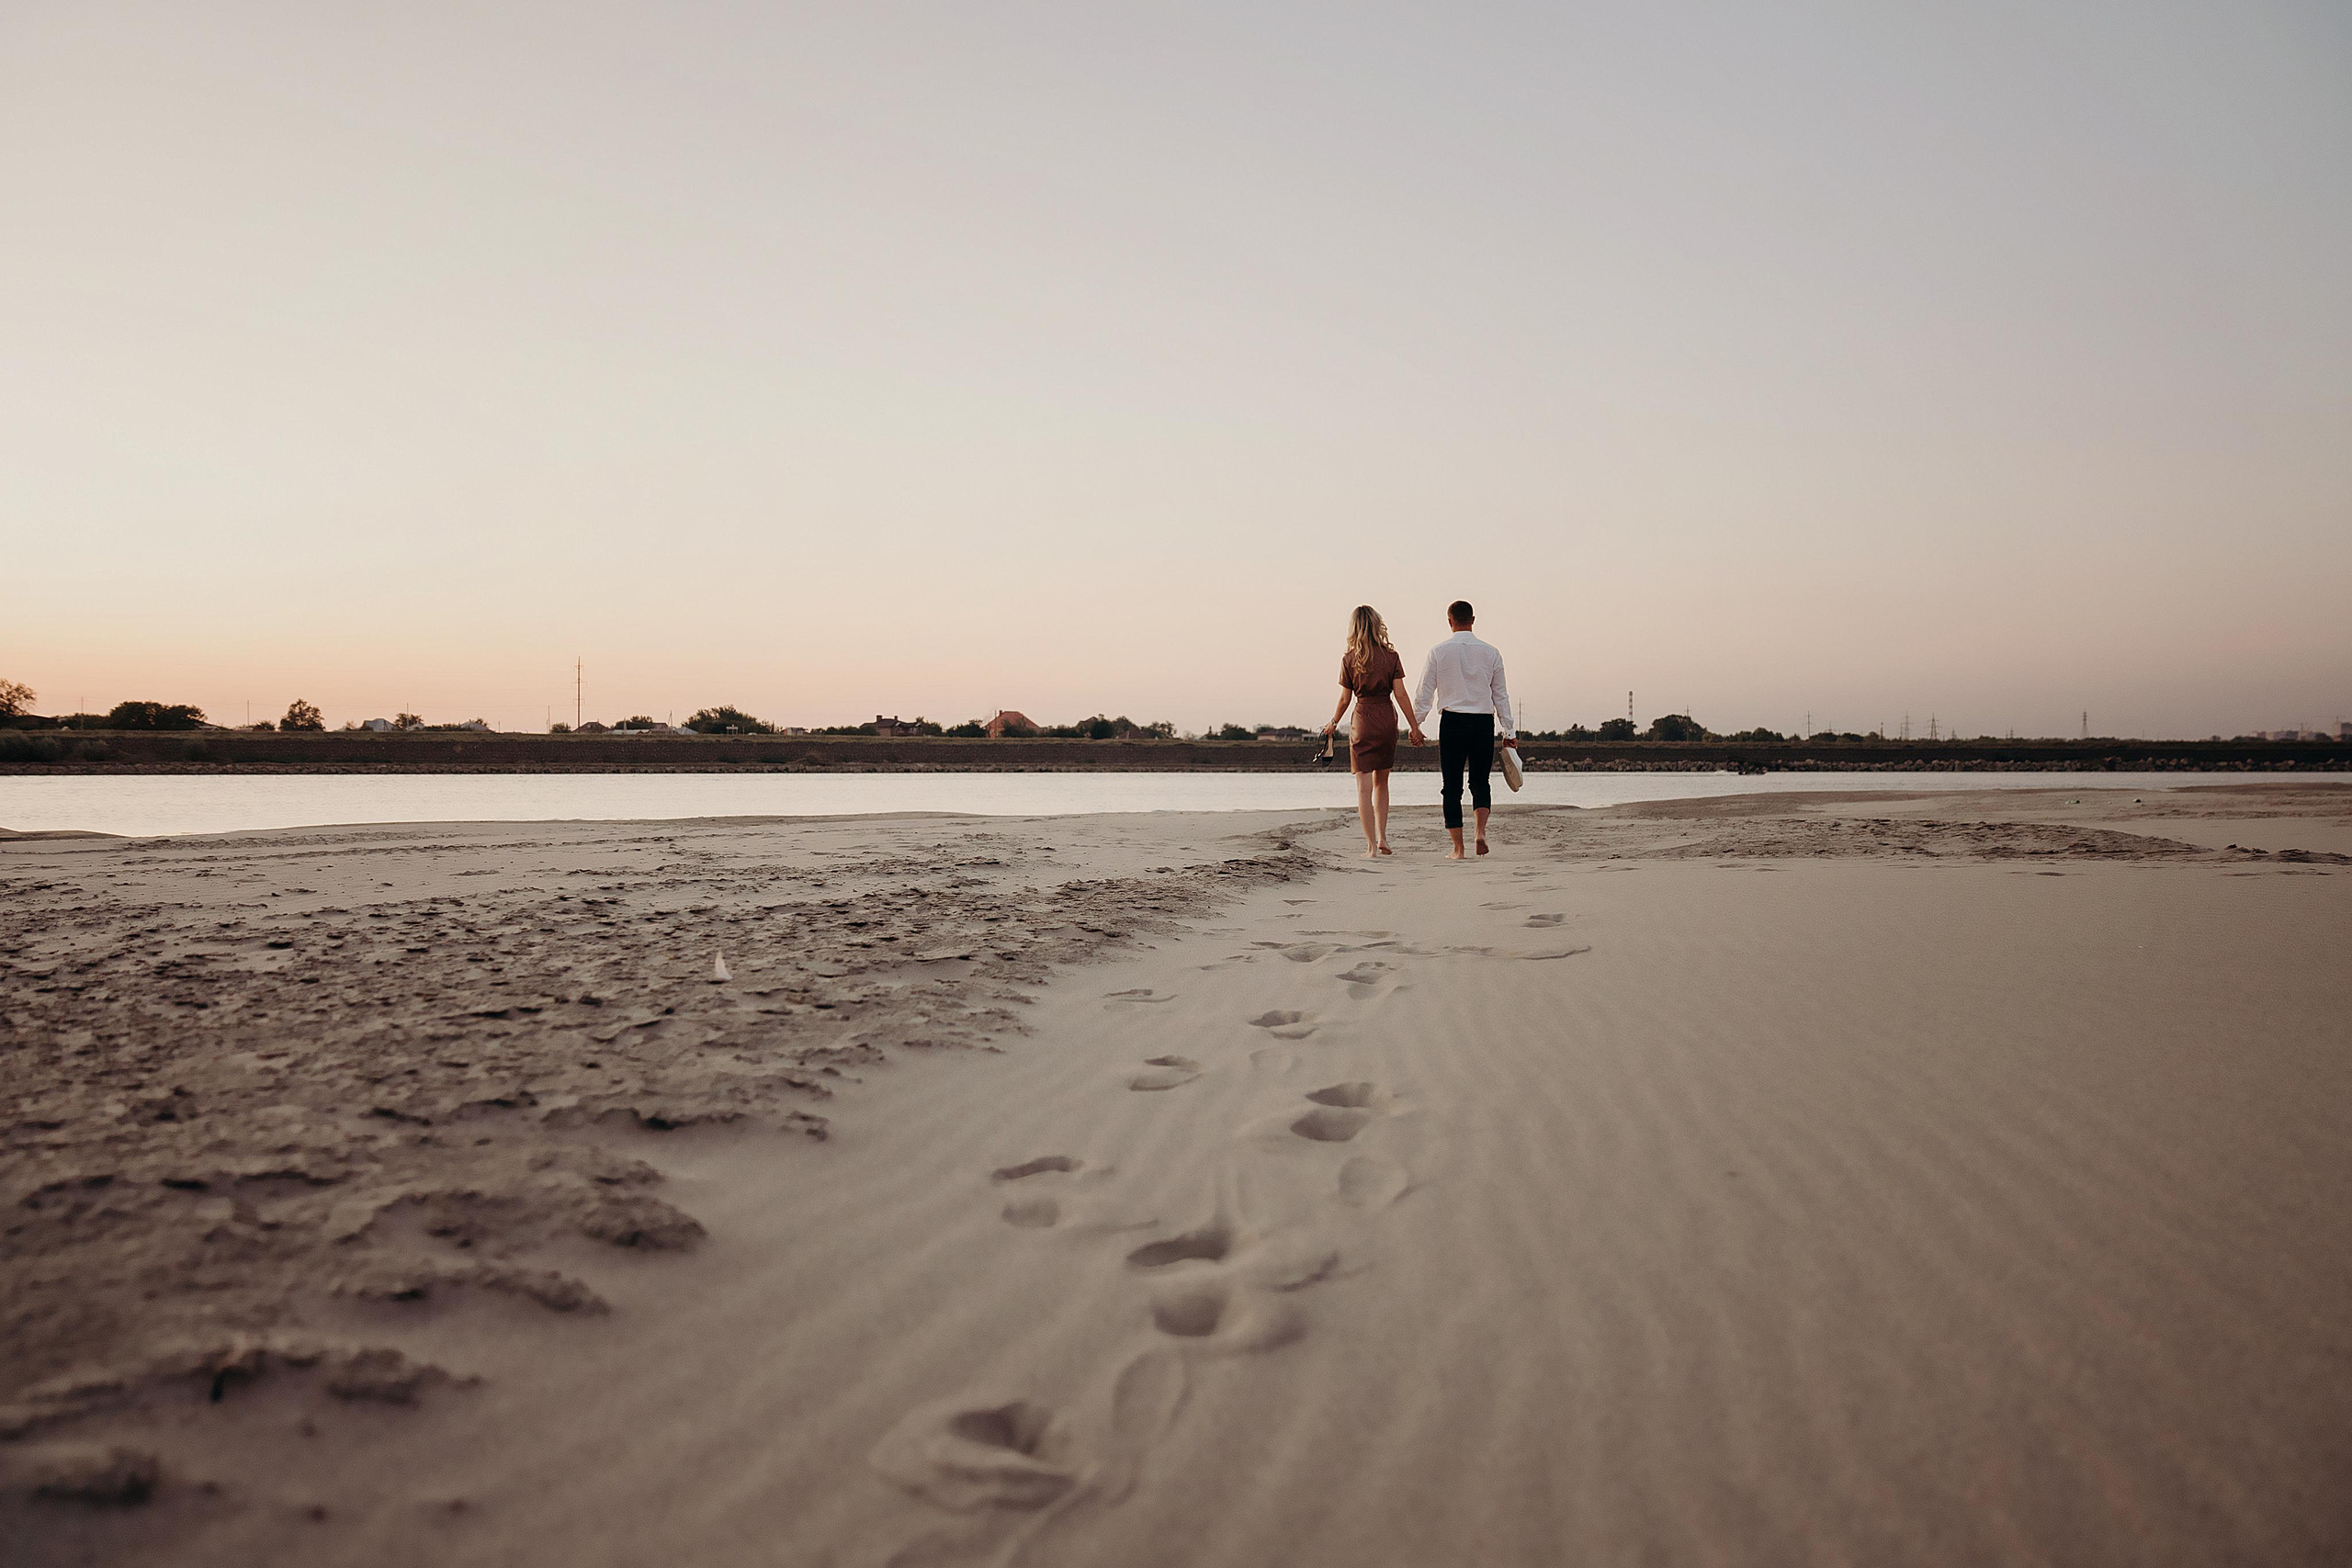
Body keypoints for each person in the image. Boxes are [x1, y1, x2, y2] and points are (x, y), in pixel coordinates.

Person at [1413, 600, 1517, 859]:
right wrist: (1509, 731)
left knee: (1451, 786)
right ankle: (1480, 833)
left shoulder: (1438, 652)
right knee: (1480, 782)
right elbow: (1500, 695)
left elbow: (1425, 692)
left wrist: (1416, 725)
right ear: (1473, 619)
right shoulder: (1491, 652)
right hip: (1483, 722)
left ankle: (1458, 849)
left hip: (1452, 722)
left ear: (1450, 622)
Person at [1321, 605, 1425, 858]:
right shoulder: (1391, 656)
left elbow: (1345, 699)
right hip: (1386, 719)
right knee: (1382, 783)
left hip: (1363, 721)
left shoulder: (1349, 659)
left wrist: (1333, 722)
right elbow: (1400, 694)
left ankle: (1370, 847)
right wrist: (1414, 726)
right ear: (1377, 625)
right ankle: (1383, 838)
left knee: (1363, 787)